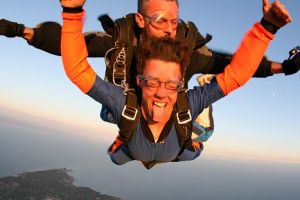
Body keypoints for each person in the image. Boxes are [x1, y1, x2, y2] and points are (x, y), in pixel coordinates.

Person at [60, 0, 292, 169]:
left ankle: (189, 126)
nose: (161, 93)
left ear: (181, 84)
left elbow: (236, 75)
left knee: (198, 144)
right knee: (115, 157)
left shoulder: (187, 106)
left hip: (178, 150)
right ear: (139, 82)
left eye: (172, 85)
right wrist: (72, 12)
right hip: (136, 148)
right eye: (152, 82)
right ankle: (126, 143)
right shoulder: (125, 106)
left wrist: (266, 29)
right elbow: (78, 71)